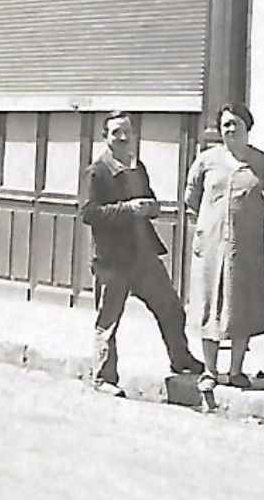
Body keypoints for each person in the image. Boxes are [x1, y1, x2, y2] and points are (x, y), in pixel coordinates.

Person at [78, 112, 205, 396]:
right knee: (108, 322)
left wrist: (152, 207)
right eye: (116, 133)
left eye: (127, 131)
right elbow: (88, 213)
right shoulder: (97, 171)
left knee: (171, 308)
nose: (123, 138)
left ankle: (180, 359)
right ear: (105, 138)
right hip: (112, 261)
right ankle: (104, 378)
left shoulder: (138, 168)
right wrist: (128, 209)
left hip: (144, 256)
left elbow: (147, 200)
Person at [185, 102, 264, 398]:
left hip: (247, 245)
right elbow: (191, 198)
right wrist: (206, 225)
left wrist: (255, 216)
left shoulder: (261, 162)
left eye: (235, 124)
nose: (230, 129)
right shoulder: (206, 160)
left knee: (241, 304)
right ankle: (209, 371)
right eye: (225, 124)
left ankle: (236, 370)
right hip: (212, 246)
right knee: (209, 304)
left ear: (248, 127)